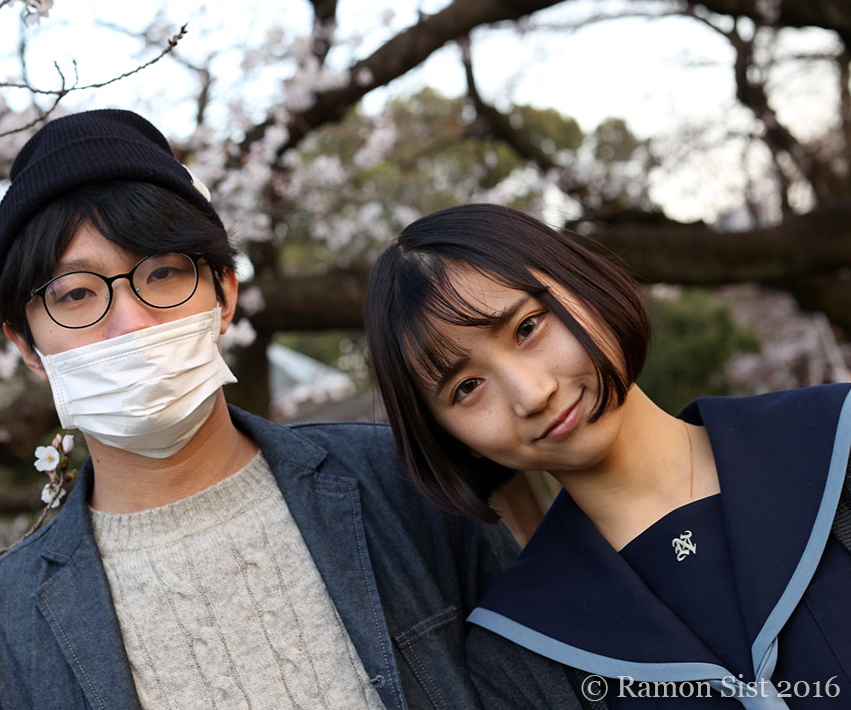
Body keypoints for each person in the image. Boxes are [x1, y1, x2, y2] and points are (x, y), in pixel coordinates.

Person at [0, 111, 573, 709]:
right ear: (27, 346)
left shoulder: (403, 481)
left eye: (162, 273)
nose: (130, 323)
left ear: (225, 293)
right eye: (75, 294)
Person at [364, 203, 851, 709]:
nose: (532, 394)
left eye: (527, 328)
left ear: (584, 288)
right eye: (467, 387)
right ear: (449, 436)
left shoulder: (834, 445)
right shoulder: (520, 659)